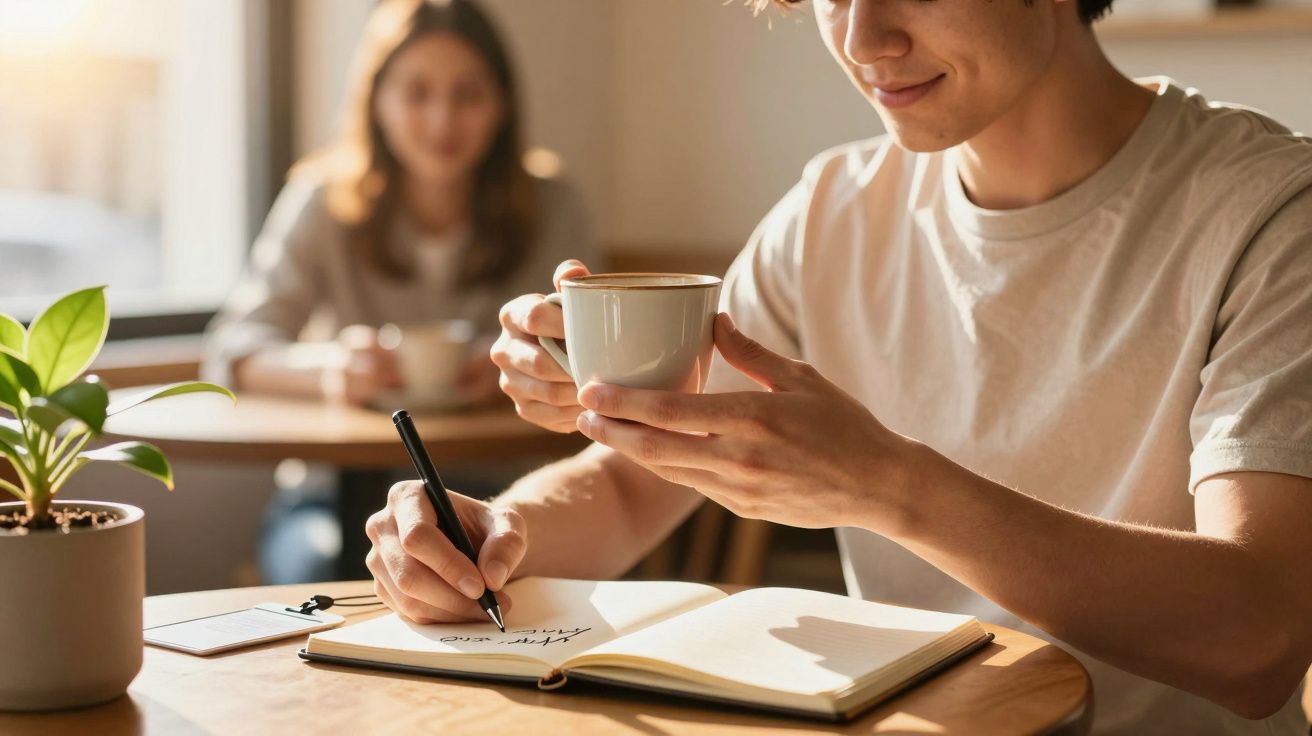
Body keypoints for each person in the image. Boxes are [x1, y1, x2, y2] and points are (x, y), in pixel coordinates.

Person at [364, 0, 1312, 732]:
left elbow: (1259, 637)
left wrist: (890, 485)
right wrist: (484, 537)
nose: (862, 37)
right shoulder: (831, 212)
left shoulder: (1269, 214)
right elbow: (630, 487)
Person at [203, 0, 595, 582]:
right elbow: (232, 350)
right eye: (417, 93)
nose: (442, 121)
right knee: (329, 580)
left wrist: (522, 365)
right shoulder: (321, 200)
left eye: (468, 95)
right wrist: (331, 369)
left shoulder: (551, 204)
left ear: (502, 106)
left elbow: (594, 354)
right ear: (376, 100)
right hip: (333, 499)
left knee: (498, 582)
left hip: (500, 494)